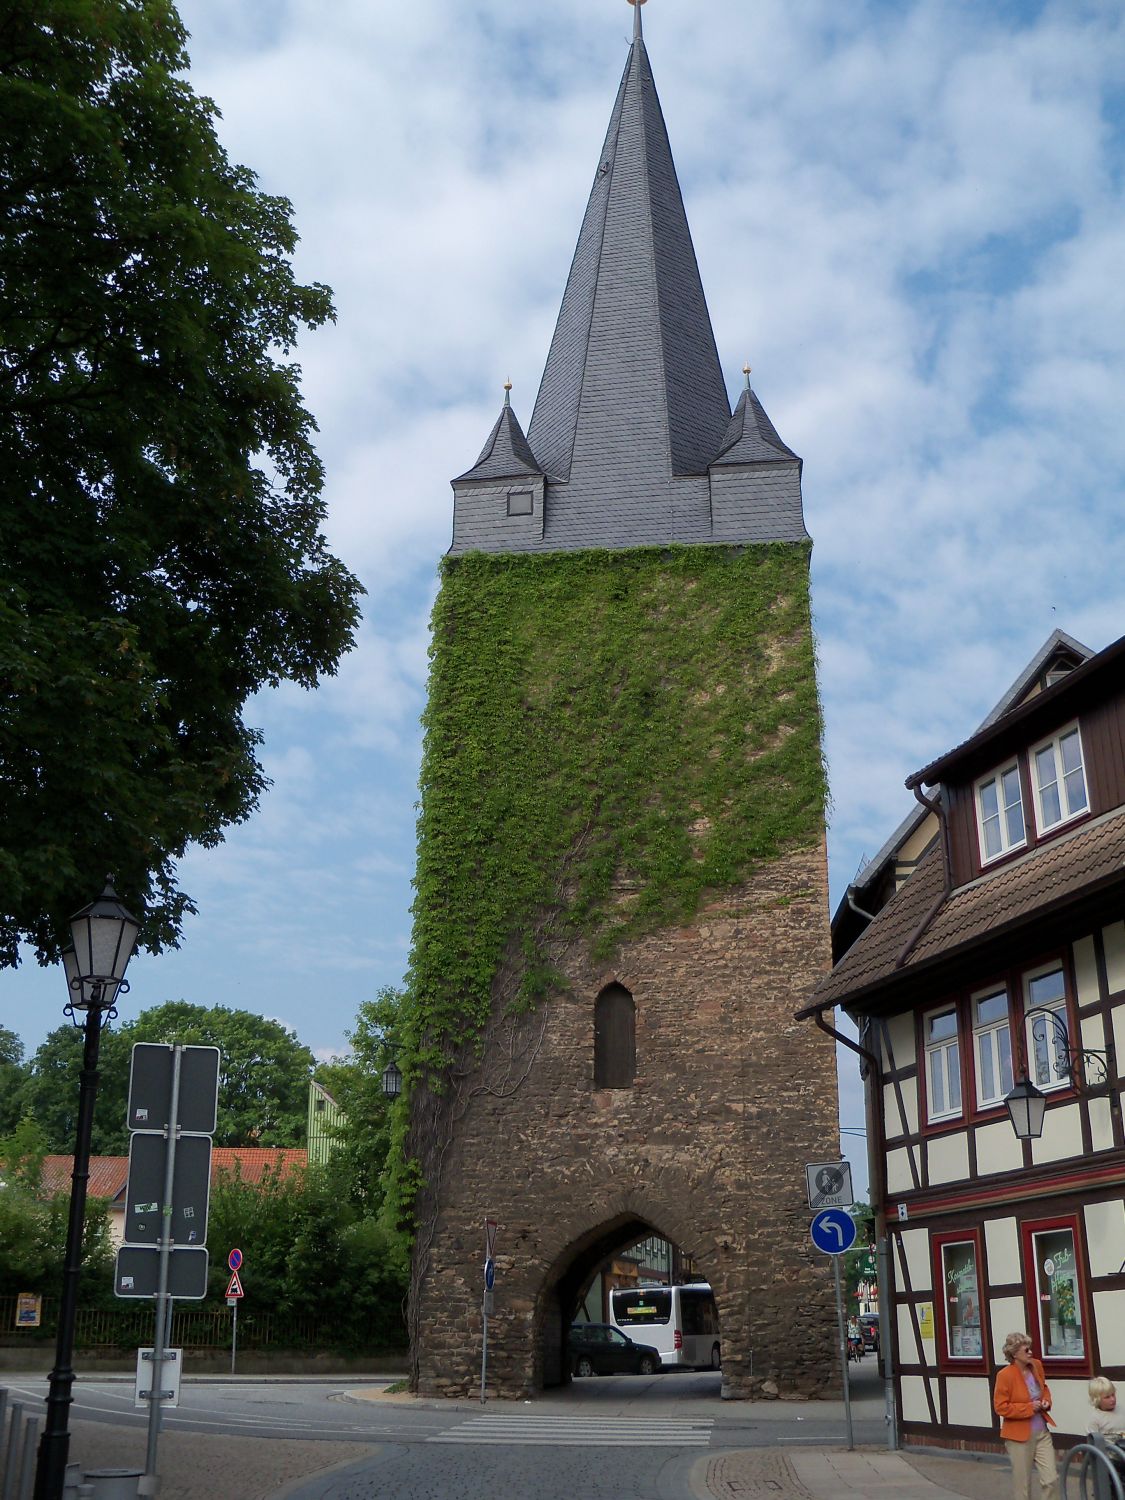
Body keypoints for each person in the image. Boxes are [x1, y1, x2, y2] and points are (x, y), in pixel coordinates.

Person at [993, 1331, 1057, 1500]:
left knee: (1051, 1480)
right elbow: (1001, 1407)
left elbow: (1044, 1388)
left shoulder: (1036, 1365)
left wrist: (1046, 1401)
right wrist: (1028, 1407)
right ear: (1014, 1354)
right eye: (1026, 1350)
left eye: (1030, 1349)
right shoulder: (1004, 1375)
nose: (1030, 1353)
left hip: (1042, 1432)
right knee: (1023, 1486)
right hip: (1019, 1437)